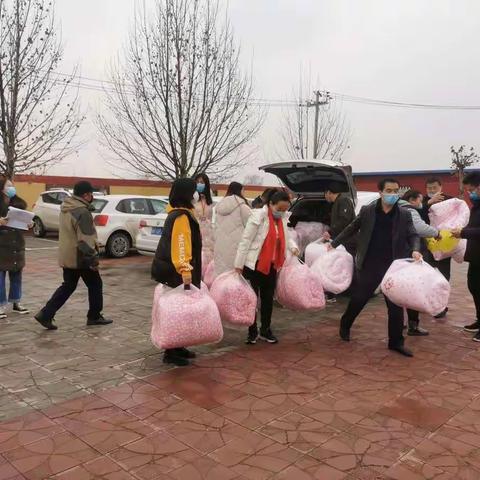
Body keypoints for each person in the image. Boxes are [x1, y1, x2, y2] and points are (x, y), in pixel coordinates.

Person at [330, 178, 421, 357]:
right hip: (370, 263)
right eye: (389, 190)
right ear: (380, 192)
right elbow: (351, 228)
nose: (393, 194)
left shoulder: (404, 214)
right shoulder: (368, 211)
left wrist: (415, 250)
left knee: (395, 305)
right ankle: (345, 324)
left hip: (393, 266)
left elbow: (413, 235)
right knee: (360, 298)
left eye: (396, 191)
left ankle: (396, 342)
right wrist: (334, 243)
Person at [34, 181, 111, 330]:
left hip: (68, 255)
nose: (92, 196)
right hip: (81, 257)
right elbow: (86, 239)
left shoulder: (66, 207)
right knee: (95, 284)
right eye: (91, 194)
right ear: (86, 195)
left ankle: (46, 314)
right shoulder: (82, 212)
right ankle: (94, 316)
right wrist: (93, 260)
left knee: (68, 286)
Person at [235, 189, 299, 345]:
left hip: (271, 265)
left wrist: (293, 247)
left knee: (268, 299)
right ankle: (252, 331)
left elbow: (287, 235)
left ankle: (265, 329)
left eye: (285, 210)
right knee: (252, 299)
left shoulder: (282, 219)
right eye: (279, 209)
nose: (282, 213)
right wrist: (238, 264)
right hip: (254, 264)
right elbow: (246, 241)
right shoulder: (258, 217)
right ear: (271, 204)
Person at [151, 178, 201, 366]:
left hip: (174, 271)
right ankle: (170, 352)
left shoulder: (183, 213)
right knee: (175, 312)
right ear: (187, 194)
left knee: (180, 311)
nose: (197, 194)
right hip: (176, 272)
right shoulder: (181, 216)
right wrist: (184, 268)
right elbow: (181, 245)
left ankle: (178, 346)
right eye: (194, 190)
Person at [399, 189, 442, 336]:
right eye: (419, 199)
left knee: (401, 291)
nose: (421, 203)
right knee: (413, 290)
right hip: (412, 254)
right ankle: (412, 326)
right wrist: (437, 233)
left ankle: (401, 323)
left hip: (399, 255)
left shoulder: (396, 208)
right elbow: (420, 228)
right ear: (412, 200)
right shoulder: (410, 211)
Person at [452, 172, 480, 342]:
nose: (470, 194)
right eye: (469, 191)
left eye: (472, 190)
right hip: (476, 255)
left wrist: (463, 232)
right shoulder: (476, 206)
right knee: (474, 286)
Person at [420, 177, 452, 318]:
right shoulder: (422, 202)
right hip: (427, 245)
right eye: (429, 188)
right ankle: (427, 303)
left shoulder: (450, 200)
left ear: (441, 187)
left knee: (444, 276)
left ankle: (441, 307)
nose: (432, 191)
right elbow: (417, 216)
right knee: (428, 274)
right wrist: (428, 203)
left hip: (444, 243)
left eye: (434, 188)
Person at [0, 177, 30, 319]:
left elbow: (24, 223)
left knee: (16, 276)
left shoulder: (18, 204)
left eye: (12, 185)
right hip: (2, 245)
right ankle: (0, 305)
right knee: (0, 277)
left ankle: (16, 302)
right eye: (8, 185)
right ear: (2, 188)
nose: (11, 188)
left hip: (17, 244)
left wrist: (30, 225)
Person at [214, 182, 251, 276]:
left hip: (220, 246)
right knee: (235, 279)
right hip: (237, 247)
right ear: (240, 191)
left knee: (222, 276)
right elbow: (251, 226)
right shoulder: (242, 206)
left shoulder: (219, 206)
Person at [323, 182, 356, 256]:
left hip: (349, 241)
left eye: (325, 194)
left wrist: (330, 231)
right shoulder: (336, 203)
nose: (325, 197)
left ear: (328, 192)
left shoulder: (343, 200)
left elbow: (344, 220)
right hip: (341, 241)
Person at [194, 173, 214, 263]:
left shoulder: (210, 201)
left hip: (208, 235)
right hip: (196, 232)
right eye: (197, 182)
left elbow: (212, 217)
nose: (199, 184)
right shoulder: (192, 199)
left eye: (202, 182)